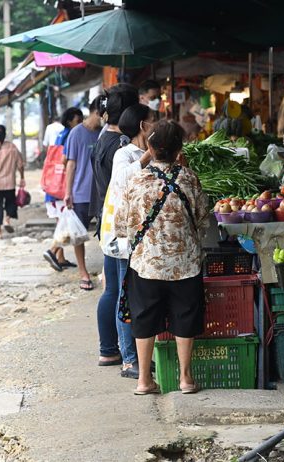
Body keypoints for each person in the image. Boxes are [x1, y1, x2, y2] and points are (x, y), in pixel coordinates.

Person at [115, 119, 209, 395]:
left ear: (150, 146)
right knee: (185, 316)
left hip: (147, 264)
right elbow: (203, 220)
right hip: (185, 264)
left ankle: (144, 380)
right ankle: (185, 379)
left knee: (144, 319)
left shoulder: (136, 180)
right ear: (179, 149)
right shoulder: (189, 178)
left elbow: (121, 226)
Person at [99, 103, 157, 379]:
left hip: (140, 235)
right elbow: (122, 180)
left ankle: (138, 356)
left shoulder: (140, 153)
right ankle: (128, 359)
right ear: (143, 126)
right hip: (123, 237)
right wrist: (148, 156)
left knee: (134, 296)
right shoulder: (123, 154)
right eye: (152, 120)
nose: (155, 124)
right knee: (125, 297)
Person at [90, 83, 138, 365]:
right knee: (121, 291)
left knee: (113, 290)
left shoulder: (103, 138)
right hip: (118, 226)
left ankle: (108, 349)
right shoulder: (120, 146)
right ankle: (125, 354)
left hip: (107, 222)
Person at [64, 97, 102, 291]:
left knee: (106, 233)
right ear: (96, 112)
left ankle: (106, 272)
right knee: (79, 235)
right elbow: (70, 164)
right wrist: (67, 192)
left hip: (101, 193)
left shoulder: (104, 132)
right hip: (81, 192)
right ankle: (83, 272)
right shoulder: (76, 133)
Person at [43, 107, 83, 272]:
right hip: (61, 189)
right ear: (69, 121)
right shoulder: (71, 135)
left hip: (54, 188)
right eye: (78, 120)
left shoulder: (62, 134)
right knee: (65, 223)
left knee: (62, 222)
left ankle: (60, 257)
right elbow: (66, 160)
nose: (81, 124)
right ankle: (52, 251)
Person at [0, 125, 25, 237]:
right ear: (5, 134)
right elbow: (20, 164)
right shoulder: (12, 147)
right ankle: (7, 219)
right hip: (9, 182)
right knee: (11, 203)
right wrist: (22, 177)